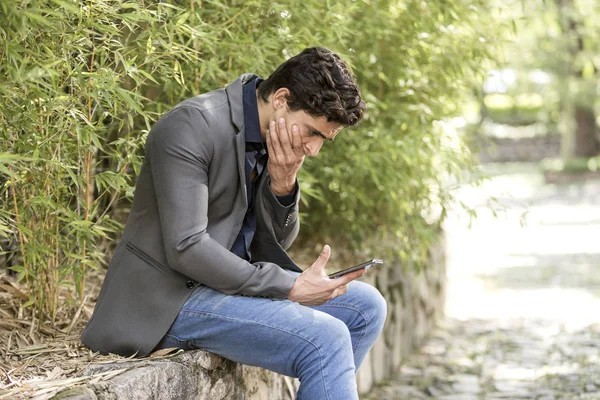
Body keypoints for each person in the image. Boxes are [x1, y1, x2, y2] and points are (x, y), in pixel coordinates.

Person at [81, 47, 387, 399]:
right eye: (313, 133)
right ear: (282, 99)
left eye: (323, 140)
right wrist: (288, 285)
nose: (313, 150)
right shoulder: (192, 125)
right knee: (326, 338)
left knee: (367, 307)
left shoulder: (269, 138)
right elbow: (187, 247)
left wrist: (283, 184)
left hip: (225, 287)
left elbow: (276, 246)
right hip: (167, 299)